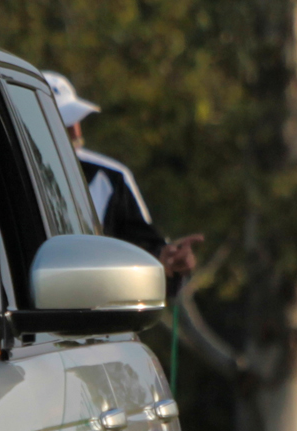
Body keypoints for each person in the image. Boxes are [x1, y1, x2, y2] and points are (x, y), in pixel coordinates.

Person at [46, 71, 202, 283]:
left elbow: (147, 253)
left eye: (76, 119)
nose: (75, 130)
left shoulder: (110, 178)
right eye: (64, 122)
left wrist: (169, 264)